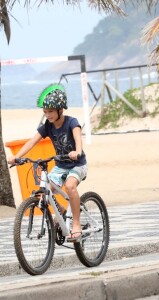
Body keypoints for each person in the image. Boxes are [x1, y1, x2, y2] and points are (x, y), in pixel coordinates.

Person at [8, 84, 87, 242]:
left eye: (50, 111)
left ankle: (76, 224)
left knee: (70, 186)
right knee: (44, 191)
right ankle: (63, 211)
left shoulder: (71, 122)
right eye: (45, 112)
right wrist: (17, 156)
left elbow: (78, 138)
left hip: (77, 164)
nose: (47, 115)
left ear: (60, 110)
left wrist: (77, 152)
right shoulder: (47, 127)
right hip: (60, 166)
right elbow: (31, 142)